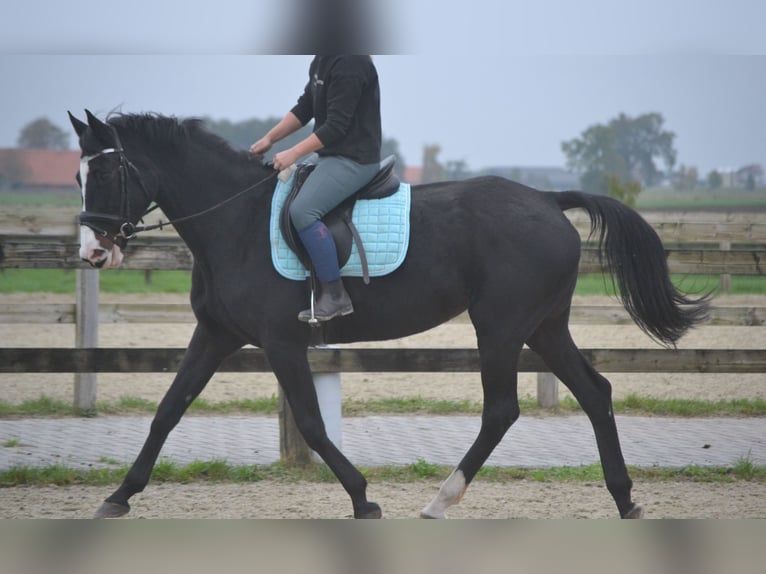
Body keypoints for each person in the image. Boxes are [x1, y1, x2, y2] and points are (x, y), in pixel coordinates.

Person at [250, 55, 382, 323]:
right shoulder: (323, 58)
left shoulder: (350, 62)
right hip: (330, 156)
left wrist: (293, 153)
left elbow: (335, 126)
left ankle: (335, 295)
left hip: (354, 159)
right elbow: (304, 108)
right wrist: (269, 138)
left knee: (302, 211)